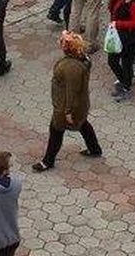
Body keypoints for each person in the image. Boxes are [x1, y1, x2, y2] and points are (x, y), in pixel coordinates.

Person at [33, 31, 102, 171]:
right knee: (83, 124)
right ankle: (95, 149)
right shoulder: (82, 58)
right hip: (80, 105)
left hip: (66, 106)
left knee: (56, 131)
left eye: (64, 43)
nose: (61, 44)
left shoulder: (71, 67)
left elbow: (72, 91)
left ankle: (48, 161)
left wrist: (68, 112)